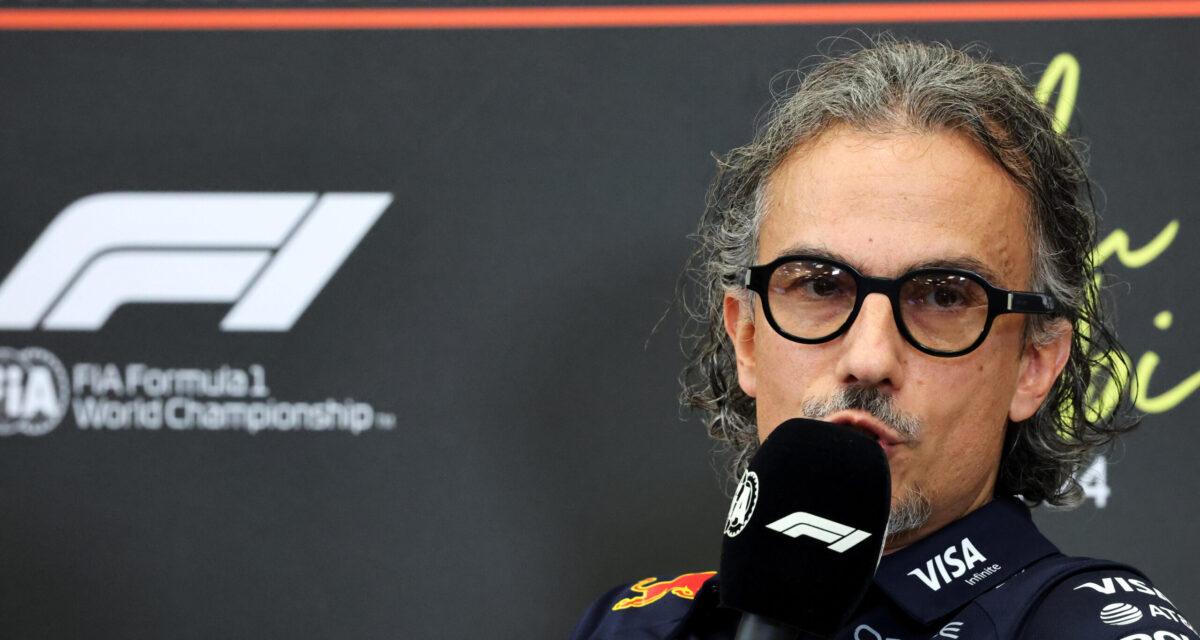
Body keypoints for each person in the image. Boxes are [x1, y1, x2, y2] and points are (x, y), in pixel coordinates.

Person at [570, 37, 1193, 639]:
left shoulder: (1090, 627)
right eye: (819, 285)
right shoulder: (632, 626)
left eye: (943, 296)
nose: (869, 359)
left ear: (1035, 362)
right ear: (747, 338)